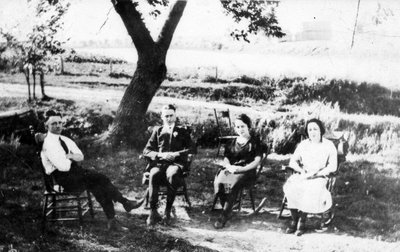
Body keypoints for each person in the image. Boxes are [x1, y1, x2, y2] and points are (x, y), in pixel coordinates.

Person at [40, 110, 143, 232]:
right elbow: (64, 167)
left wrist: (69, 156)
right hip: (64, 180)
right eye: (54, 124)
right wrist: (71, 157)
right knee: (100, 179)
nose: (58, 126)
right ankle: (123, 205)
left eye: (60, 123)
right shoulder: (48, 144)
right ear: (46, 126)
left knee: (98, 183)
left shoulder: (64, 139)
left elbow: (80, 156)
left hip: (75, 174)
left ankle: (114, 218)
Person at [283, 118, 337, 236]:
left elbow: (333, 166)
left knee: (309, 189)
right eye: (310, 129)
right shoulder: (303, 144)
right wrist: (301, 170)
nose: (313, 132)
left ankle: (302, 221)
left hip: (319, 176)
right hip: (304, 174)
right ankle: (294, 219)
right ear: (307, 132)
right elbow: (293, 162)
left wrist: (319, 174)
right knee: (290, 187)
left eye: (315, 129)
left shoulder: (329, 145)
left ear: (321, 130)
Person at [143, 104, 194, 225]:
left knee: (172, 174)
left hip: (176, 163)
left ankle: (167, 210)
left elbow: (192, 149)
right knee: (154, 174)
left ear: (175, 116)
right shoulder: (158, 131)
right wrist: (161, 155)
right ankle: (153, 211)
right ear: (162, 117)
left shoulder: (182, 131)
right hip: (160, 163)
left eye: (171, 115)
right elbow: (146, 151)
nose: (169, 118)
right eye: (166, 116)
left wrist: (176, 154)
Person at [213, 113, 263, 229]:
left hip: (246, 171)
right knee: (220, 182)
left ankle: (224, 215)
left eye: (243, 126)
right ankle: (228, 206)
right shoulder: (232, 143)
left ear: (248, 126)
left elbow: (257, 161)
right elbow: (226, 158)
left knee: (231, 183)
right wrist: (229, 166)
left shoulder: (255, 142)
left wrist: (242, 169)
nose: (240, 129)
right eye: (238, 127)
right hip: (231, 169)